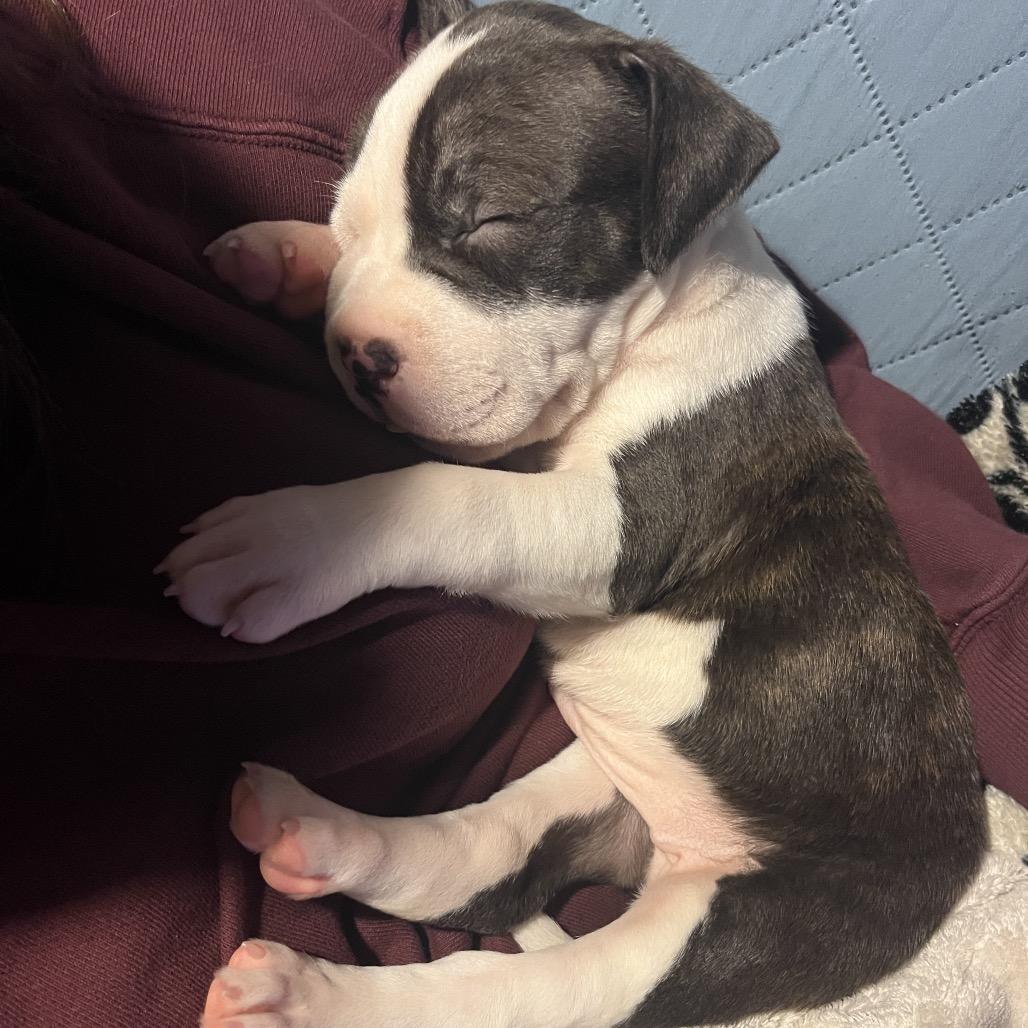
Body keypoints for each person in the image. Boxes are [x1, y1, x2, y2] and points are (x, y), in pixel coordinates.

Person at [1, 2, 1025, 1026]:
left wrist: (348, 533)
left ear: (675, 187)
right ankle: (385, 858)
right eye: (361, 228)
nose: (368, 332)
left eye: (481, 227)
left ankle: (397, 1008)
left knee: (611, 967)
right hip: (641, 746)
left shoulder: (733, 364)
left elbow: (603, 543)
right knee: (526, 818)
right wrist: (355, 260)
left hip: (839, 845)